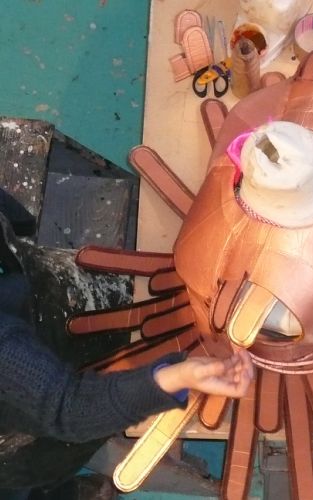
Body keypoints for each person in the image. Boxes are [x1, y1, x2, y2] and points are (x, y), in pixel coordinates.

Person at [0, 187, 254, 498]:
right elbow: (71, 410)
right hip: (34, 413)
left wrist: (18, 232)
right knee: (33, 468)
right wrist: (173, 378)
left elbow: (17, 219)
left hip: (43, 295)